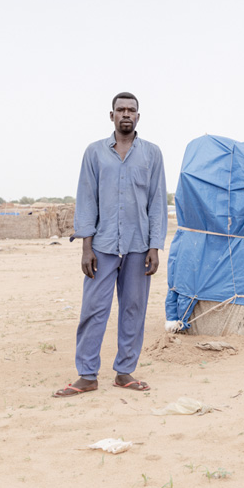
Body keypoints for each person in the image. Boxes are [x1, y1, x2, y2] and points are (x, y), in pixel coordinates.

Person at [54, 92, 167, 397]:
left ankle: (125, 372)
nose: (126, 114)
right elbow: (87, 200)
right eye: (121, 110)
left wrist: (155, 247)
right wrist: (85, 247)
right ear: (112, 115)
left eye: (131, 110)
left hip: (138, 246)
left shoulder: (152, 154)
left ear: (138, 117)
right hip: (102, 246)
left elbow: (157, 203)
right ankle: (87, 375)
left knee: (133, 308)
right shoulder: (95, 153)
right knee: (93, 309)